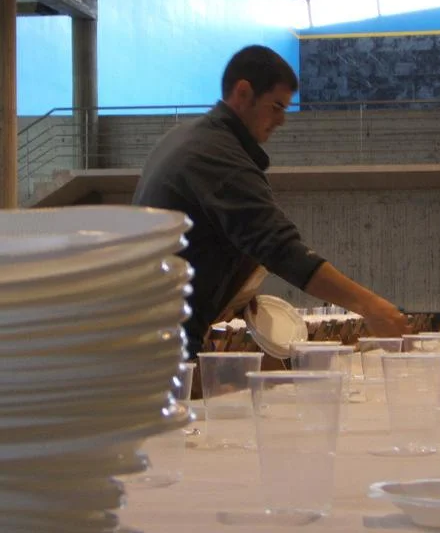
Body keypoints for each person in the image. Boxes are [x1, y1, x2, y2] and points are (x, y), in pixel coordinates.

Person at [133, 45, 409, 358]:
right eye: (276, 106)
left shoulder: (186, 138)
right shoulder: (215, 155)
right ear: (243, 93)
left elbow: (209, 238)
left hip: (145, 332)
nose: (281, 120)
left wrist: (231, 293)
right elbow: (280, 247)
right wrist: (371, 307)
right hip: (160, 346)